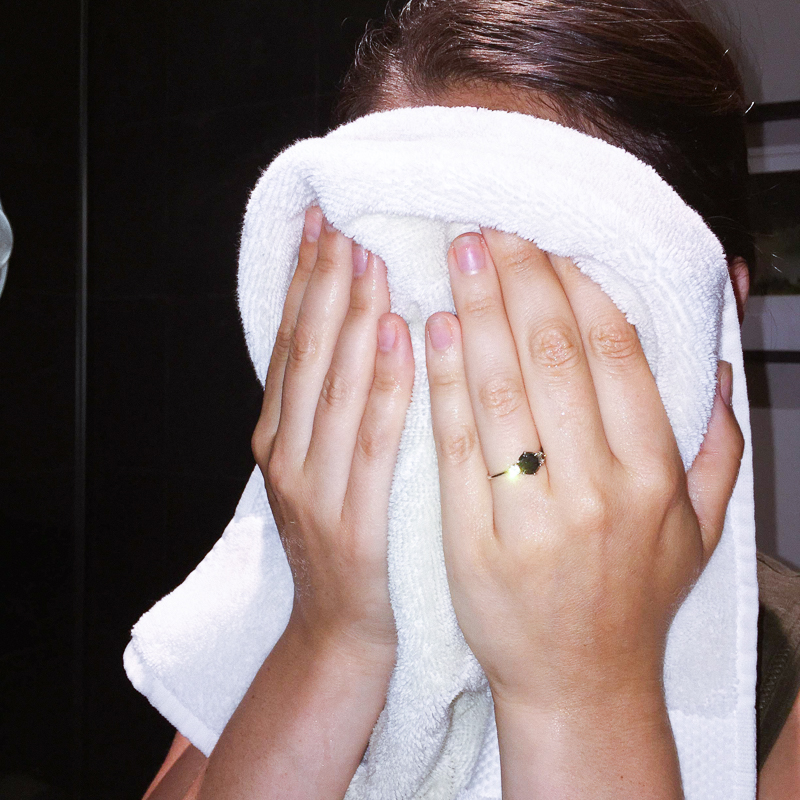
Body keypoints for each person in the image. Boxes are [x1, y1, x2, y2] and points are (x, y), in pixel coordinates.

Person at [140, 1, 800, 798]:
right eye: (401, 279)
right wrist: (331, 636)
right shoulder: (293, 561)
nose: (461, 365)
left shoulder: (782, 678)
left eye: (541, 310)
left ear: (713, 316)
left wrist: (581, 689)